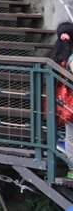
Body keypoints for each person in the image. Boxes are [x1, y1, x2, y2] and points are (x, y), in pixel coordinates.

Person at [50, 21, 73, 172]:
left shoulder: (56, 57)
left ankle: (72, 167)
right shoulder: (71, 57)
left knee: (70, 136)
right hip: (70, 102)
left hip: (63, 103)